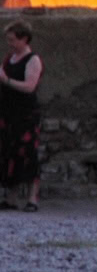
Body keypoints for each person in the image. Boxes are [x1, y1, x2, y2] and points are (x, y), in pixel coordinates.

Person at [1, 20, 43, 211]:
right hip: (8, 114)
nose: (10, 43)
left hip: (26, 115)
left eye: (13, 39)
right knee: (10, 153)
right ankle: (12, 197)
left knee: (28, 153)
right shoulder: (10, 58)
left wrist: (6, 80)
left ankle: (32, 198)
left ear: (24, 39)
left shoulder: (33, 60)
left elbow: (29, 86)